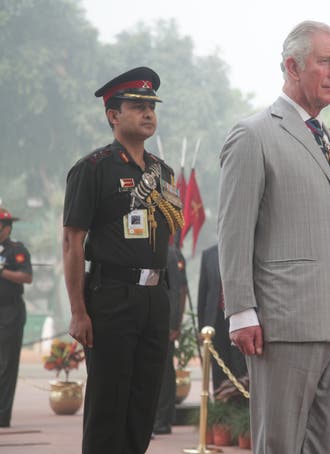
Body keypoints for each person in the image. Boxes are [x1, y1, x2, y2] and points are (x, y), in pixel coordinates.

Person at [218, 20, 330, 454]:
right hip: (284, 323)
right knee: (280, 444)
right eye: (325, 61)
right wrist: (241, 310)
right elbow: (233, 229)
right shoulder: (255, 134)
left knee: (325, 445)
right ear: (292, 66)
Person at [62, 67, 183, 454]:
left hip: (154, 297)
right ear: (113, 115)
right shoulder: (93, 169)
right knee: (108, 405)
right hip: (111, 296)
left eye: (151, 106)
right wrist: (79, 311)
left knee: (143, 404)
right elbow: (71, 243)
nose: (148, 113)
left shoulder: (162, 172)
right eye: (137, 106)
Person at [197, 243, 246, 391]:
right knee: (218, 367)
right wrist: (202, 327)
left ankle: (240, 408)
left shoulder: (244, 250)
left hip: (239, 316)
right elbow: (203, 293)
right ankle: (220, 408)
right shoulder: (208, 254)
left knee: (240, 366)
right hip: (215, 320)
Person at [0, 208, 33, 427]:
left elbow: (27, 277)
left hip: (9, 312)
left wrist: (2, 272)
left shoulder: (16, 250)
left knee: (6, 365)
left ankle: (2, 415)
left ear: (7, 227)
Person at [153, 241, 188, 435]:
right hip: (153, 321)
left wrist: (174, 323)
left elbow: (178, 290)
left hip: (165, 323)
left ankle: (163, 420)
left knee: (165, 373)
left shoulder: (171, 253)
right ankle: (156, 418)